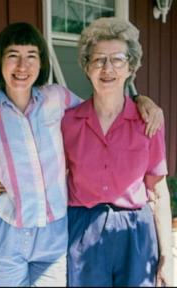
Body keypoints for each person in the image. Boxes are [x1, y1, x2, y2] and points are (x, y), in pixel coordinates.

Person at [0, 22, 164, 287]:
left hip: (53, 231)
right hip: (7, 226)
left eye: (31, 56)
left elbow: (105, 106)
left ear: (42, 63)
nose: (22, 66)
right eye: (13, 56)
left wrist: (141, 100)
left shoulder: (58, 99)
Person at [61, 17, 173, 287]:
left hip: (135, 232)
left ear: (130, 67)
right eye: (98, 59)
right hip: (84, 230)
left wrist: (167, 258)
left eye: (118, 59)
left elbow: (158, 192)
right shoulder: (68, 121)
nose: (107, 68)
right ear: (87, 67)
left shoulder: (149, 121)